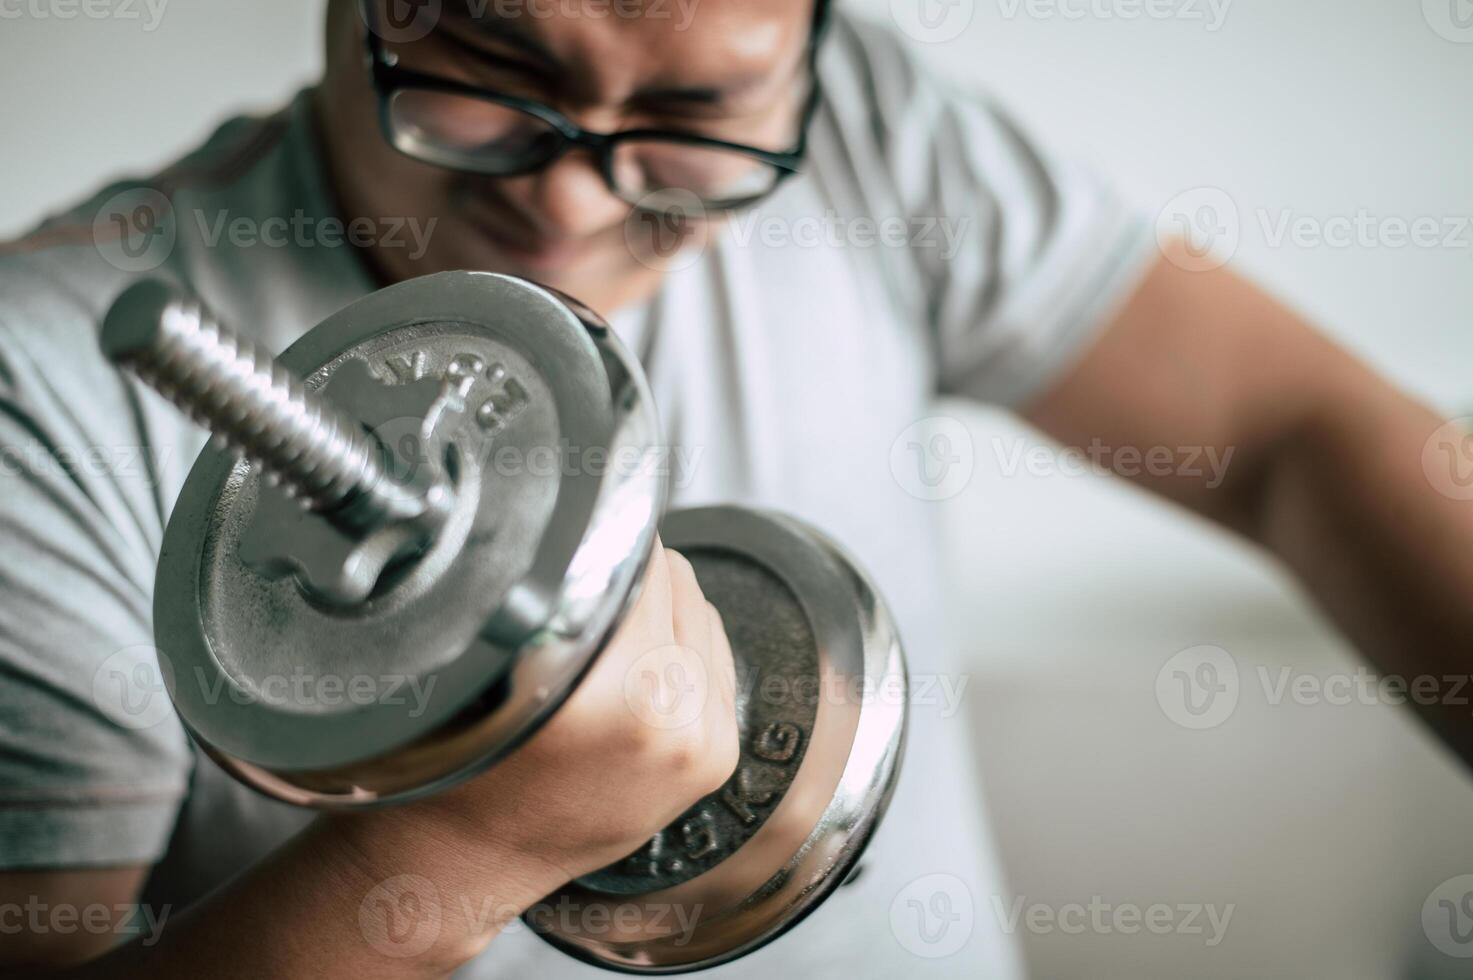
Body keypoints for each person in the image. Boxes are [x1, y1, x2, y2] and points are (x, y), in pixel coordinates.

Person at [1, 0, 1469, 975]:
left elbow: (1288, 434)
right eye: (490, 71)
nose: (569, 202)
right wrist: (457, 846)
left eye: (697, 117)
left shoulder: (872, 133)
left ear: (804, 56)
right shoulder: (41, 392)